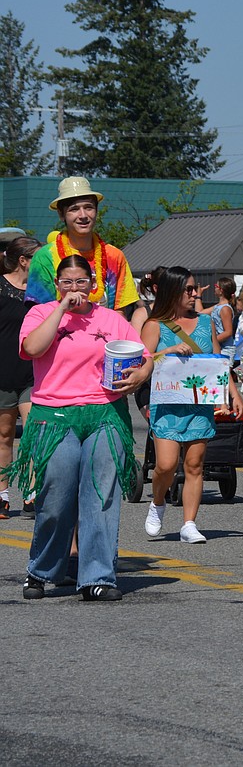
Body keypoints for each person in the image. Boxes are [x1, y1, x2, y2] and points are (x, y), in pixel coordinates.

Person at [10, 255, 153, 601]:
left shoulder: (108, 319)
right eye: (68, 283)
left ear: (94, 284)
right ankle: (41, 570)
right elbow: (31, 348)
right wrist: (60, 309)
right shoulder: (41, 313)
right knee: (56, 498)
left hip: (104, 413)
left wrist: (139, 375)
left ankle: (98, 576)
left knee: (101, 496)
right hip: (55, 414)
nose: (76, 289)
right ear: (58, 285)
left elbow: (144, 355)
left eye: (82, 282)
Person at [141, 267, 243, 543]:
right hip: (168, 404)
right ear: (173, 291)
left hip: (199, 403)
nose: (195, 294)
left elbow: (217, 360)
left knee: (195, 464)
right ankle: (158, 502)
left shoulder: (204, 322)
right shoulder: (155, 325)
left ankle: (189, 523)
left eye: (195, 288)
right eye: (189, 289)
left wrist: (232, 392)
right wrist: (167, 351)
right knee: (165, 464)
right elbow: (142, 360)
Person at [25, 177, 147, 331]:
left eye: (88, 207)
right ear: (61, 215)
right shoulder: (45, 257)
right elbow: (40, 313)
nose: (83, 215)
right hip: (60, 341)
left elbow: (120, 311)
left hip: (104, 340)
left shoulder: (114, 256)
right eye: (74, 209)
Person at [0, 236, 40, 519]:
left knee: (33, 435)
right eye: (38, 256)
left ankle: (31, 493)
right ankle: (1, 494)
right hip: (2, 371)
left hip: (32, 373)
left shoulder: (40, 290)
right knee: (3, 437)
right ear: (24, 260)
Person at [203, 277, 238, 358]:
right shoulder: (217, 307)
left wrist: (210, 341)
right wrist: (198, 296)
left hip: (225, 349)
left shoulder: (225, 308)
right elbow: (200, 313)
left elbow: (228, 332)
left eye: (216, 286)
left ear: (221, 290)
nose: (214, 288)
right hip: (218, 347)